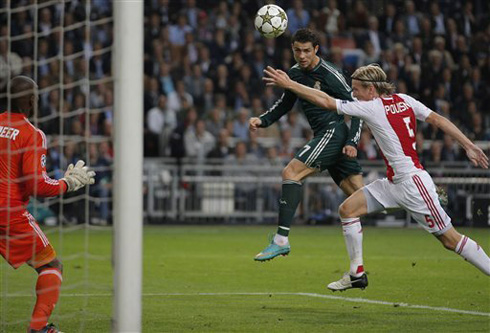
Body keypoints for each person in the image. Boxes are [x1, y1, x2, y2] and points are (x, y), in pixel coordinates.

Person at [263, 64, 490, 291]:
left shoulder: (372, 107)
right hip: (394, 183)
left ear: (371, 89)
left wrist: (290, 84)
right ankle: (356, 274)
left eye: (357, 90)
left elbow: (325, 101)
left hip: (412, 183)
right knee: (348, 210)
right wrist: (468, 146)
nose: (353, 94)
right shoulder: (405, 100)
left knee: (451, 240)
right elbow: (438, 120)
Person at [249, 28, 364, 262]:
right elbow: (284, 104)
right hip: (327, 136)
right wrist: (262, 120)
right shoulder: (294, 74)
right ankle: (423, 199)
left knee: (291, 172)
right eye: (297, 51)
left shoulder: (330, 73)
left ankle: (281, 240)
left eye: (306, 51)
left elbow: (357, 108)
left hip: (333, 131)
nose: (301, 56)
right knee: (361, 197)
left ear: (316, 50)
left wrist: (353, 140)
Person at [0, 76, 96, 332]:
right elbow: (38, 186)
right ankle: (38, 328)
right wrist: (68, 183)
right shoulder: (32, 134)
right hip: (7, 214)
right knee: (51, 265)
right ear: (31, 100)